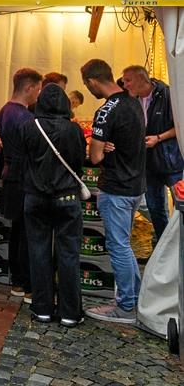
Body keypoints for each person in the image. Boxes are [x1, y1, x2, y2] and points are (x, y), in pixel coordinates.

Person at [82, 59, 145, 325]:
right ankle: (135, 298)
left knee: (118, 247)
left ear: (93, 81)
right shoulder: (134, 102)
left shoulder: (107, 110)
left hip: (116, 187)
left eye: (87, 85)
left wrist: (98, 145)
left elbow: (94, 156)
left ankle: (126, 306)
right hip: (134, 185)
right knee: (124, 246)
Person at [23, 84, 86, 326]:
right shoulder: (73, 130)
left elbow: (23, 159)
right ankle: (70, 313)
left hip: (35, 196)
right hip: (66, 196)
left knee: (38, 252)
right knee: (68, 254)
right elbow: (79, 160)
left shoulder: (30, 127)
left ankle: (42, 309)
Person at [121, 65, 183, 243]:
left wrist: (158, 138)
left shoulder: (168, 95)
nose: (125, 85)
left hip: (170, 160)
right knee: (155, 207)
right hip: (147, 163)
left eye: (128, 80)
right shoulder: (131, 100)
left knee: (180, 204)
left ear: (142, 80)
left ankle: (178, 246)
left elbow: (180, 127)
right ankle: (164, 244)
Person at [0, 68, 43, 298]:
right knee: (26, 232)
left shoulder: (5, 111)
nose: (39, 94)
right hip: (24, 178)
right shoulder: (25, 117)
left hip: (10, 175)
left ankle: (17, 281)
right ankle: (25, 284)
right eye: (38, 89)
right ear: (29, 87)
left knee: (17, 230)